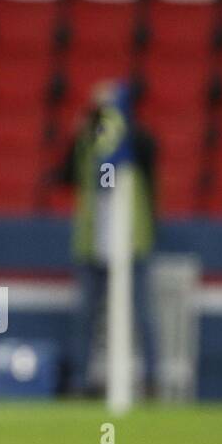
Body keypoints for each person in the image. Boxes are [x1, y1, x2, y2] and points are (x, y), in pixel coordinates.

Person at [59, 81, 158, 397]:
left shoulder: (137, 142)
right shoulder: (88, 142)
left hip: (130, 242)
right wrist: (82, 131)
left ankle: (150, 379)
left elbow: (148, 154)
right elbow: (66, 175)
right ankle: (80, 381)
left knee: (139, 315)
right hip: (92, 243)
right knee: (85, 318)